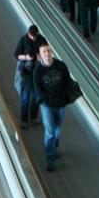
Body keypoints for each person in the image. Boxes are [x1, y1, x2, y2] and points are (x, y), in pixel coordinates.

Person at [31, 43, 81, 171]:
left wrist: (62, 97)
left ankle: (54, 144)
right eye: (44, 52)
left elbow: (67, 82)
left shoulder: (61, 66)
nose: (47, 53)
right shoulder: (38, 71)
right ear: (40, 55)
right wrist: (48, 99)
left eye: (48, 51)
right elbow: (38, 89)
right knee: (50, 131)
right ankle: (50, 159)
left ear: (51, 51)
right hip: (47, 105)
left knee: (57, 127)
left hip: (60, 104)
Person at [13, 23, 48, 127]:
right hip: (26, 72)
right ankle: (24, 120)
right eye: (31, 36)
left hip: (38, 72)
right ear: (28, 33)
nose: (33, 38)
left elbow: (48, 54)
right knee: (25, 97)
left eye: (35, 36)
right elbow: (17, 55)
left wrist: (41, 57)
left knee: (36, 96)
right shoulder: (23, 40)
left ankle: (34, 117)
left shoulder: (41, 40)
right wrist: (26, 57)